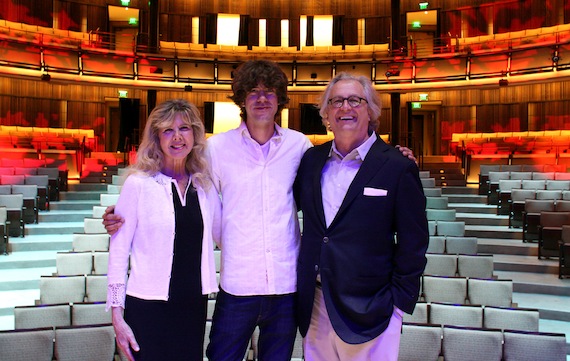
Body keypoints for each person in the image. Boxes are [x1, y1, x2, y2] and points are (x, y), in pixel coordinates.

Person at [103, 61, 417, 361]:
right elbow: (180, 178)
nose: (262, 98)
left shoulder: (301, 149)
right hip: (237, 286)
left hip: (286, 288)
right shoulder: (216, 149)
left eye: (269, 92)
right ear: (241, 99)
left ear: (280, 99)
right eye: (253, 92)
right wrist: (126, 208)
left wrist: (390, 155)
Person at [294, 72, 429, 361]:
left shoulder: (396, 166)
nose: (345, 107)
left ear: (371, 110)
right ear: (326, 114)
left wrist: (397, 305)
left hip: (373, 310)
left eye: (355, 100)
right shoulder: (310, 161)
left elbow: (414, 242)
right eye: (337, 101)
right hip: (316, 305)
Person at [105, 99, 221, 361]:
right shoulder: (138, 184)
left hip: (192, 304)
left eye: (184, 129)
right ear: (156, 137)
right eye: (168, 130)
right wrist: (116, 314)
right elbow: (119, 251)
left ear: (195, 135)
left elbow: (225, 234)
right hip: (147, 306)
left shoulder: (204, 186)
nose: (177, 137)